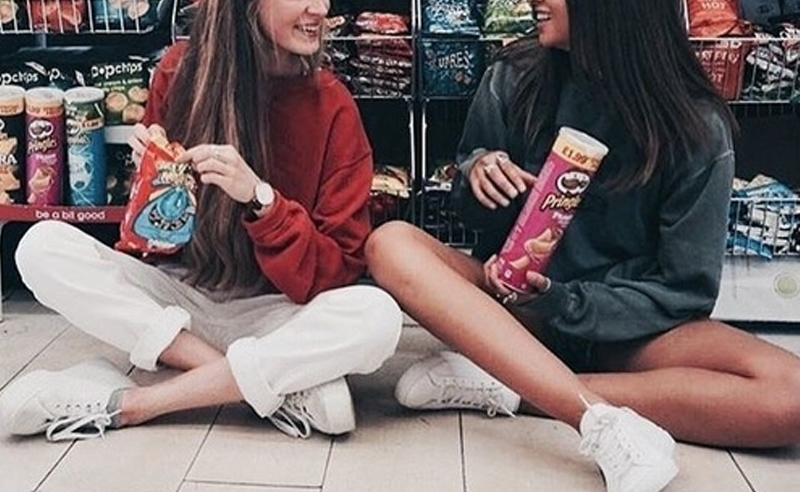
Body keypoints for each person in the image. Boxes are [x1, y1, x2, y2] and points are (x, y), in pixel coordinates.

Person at [366, 0, 800, 491]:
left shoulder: (696, 127)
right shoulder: (514, 75)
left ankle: (513, 386)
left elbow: (685, 291)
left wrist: (566, 301)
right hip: (518, 313)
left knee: (792, 394)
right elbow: (474, 218)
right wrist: (478, 174)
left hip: (629, 333)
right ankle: (588, 414)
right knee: (390, 243)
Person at [0, 0, 402, 442]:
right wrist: (152, 184)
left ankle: (133, 404)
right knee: (40, 247)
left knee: (378, 316)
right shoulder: (178, 72)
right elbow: (150, 247)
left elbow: (335, 272)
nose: (321, 8)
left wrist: (262, 201)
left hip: (278, 311)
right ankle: (267, 384)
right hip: (184, 296)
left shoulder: (332, 104)